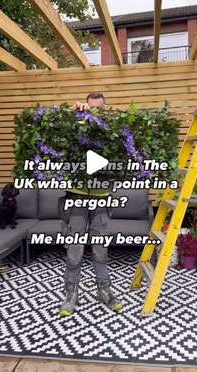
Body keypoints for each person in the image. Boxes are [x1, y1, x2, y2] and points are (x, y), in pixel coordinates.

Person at [59, 92, 123, 316]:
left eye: (99, 109)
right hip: (76, 197)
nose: (95, 112)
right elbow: (60, 132)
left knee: (100, 249)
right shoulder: (77, 124)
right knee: (74, 250)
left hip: (101, 198)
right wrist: (73, 111)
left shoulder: (111, 131)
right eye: (91, 108)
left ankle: (104, 290)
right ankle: (71, 294)